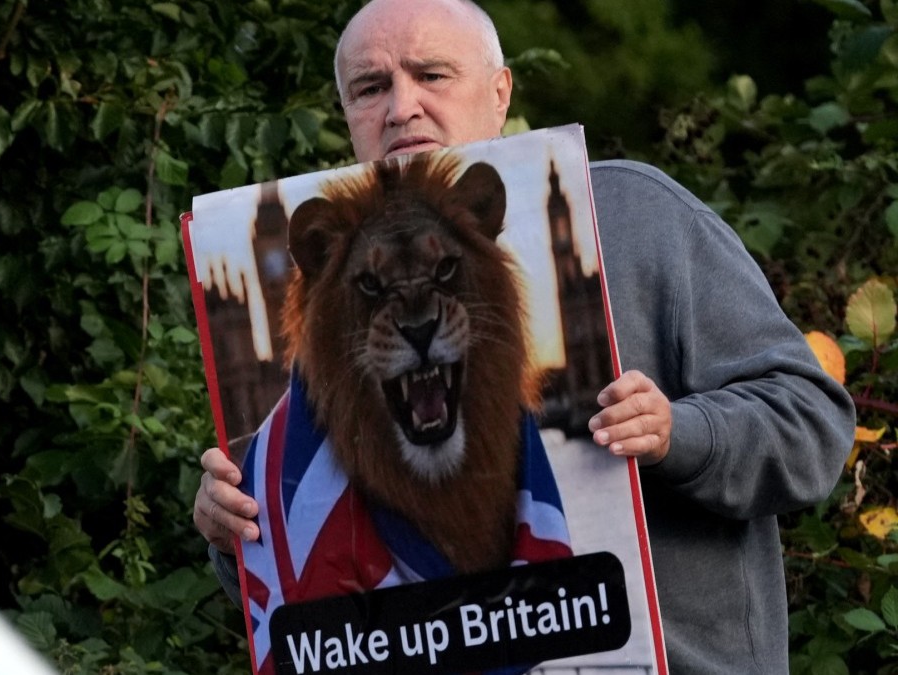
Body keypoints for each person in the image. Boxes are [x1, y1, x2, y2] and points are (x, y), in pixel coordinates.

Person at [192, 0, 856, 672]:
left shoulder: (635, 213)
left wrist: (677, 433)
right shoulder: (320, 306)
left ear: (499, 90)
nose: (403, 107)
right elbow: (310, 598)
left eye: (432, 75)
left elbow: (815, 423)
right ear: (348, 115)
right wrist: (237, 526)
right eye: (372, 87)